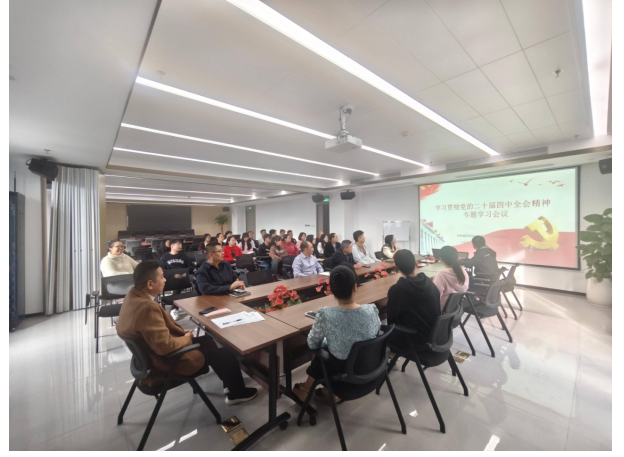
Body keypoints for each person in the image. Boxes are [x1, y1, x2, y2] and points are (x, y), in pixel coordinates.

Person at [116, 261, 257, 404]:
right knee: (225, 353)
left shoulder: (132, 296)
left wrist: (181, 334)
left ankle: (230, 385)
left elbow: (152, 332)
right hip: (165, 363)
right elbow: (166, 346)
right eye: (162, 277)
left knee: (208, 340)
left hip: (147, 359)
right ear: (150, 284)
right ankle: (237, 394)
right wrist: (187, 338)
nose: (165, 280)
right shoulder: (147, 307)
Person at [292, 266, 381, 403]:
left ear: (331, 291)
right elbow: (375, 332)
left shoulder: (325, 313)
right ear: (355, 287)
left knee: (322, 352)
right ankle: (327, 392)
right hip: (371, 372)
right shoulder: (371, 309)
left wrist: (329, 340)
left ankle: (310, 389)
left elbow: (313, 344)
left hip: (344, 379)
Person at [387, 250, 441, 348]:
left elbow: (391, 320)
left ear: (396, 266)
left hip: (413, 339)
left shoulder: (397, 290)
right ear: (415, 263)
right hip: (434, 334)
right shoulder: (430, 283)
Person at [432, 246, 469, 310]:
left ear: (441, 259)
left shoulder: (441, 275)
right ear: (457, 258)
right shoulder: (463, 272)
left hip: (440, 310)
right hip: (454, 309)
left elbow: (434, 298)